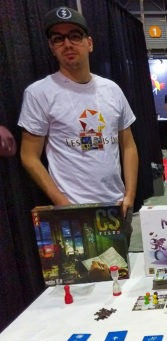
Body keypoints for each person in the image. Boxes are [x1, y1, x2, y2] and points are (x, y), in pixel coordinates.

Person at [18, 6, 138, 239]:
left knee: (120, 263)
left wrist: (129, 196)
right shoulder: (39, 93)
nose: (67, 44)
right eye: (58, 39)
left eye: (75, 36)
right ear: (51, 47)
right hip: (72, 211)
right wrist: (64, 205)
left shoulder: (112, 90)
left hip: (116, 206)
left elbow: (128, 145)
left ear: (89, 43)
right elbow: (29, 156)